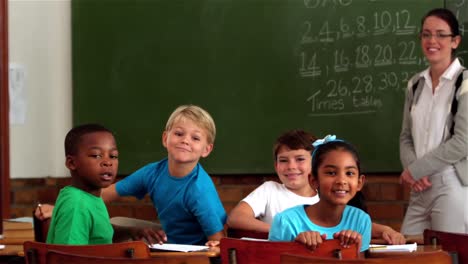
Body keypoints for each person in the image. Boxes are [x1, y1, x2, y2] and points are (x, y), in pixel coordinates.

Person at [38, 105, 226, 246]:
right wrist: (59, 208)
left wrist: (212, 246)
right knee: (115, 222)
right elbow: (103, 194)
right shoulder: (153, 172)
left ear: (206, 149)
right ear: (165, 138)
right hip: (167, 238)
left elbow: (218, 239)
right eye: (179, 133)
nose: (185, 140)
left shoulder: (199, 189)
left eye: (195, 138)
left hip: (192, 250)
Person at [227, 130, 405, 244]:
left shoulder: (331, 197)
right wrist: (280, 230)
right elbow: (236, 218)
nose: (291, 166)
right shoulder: (272, 192)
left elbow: (353, 221)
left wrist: (386, 230)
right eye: (283, 160)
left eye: (300, 159)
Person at [399, 8, 467, 235]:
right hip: (419, 186)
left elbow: (462, 142)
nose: (432, 41)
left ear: (455, 41)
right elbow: (406, 136)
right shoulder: (415, 84)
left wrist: (416, 169)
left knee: (450, 254)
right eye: (426, 34)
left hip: (452, 183)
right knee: (408, 249)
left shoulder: (465, 82)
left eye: (440, 34)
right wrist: (413, 170)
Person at [47, 124, 163, 244]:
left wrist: (131, 231)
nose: (108, 162)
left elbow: (99, 235)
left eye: (113, 156)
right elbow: (68, 256)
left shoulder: (91, 197)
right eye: (96, 155)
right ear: (71, 163)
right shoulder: (76, 203)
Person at [269, 135, 372, 252]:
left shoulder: (360, 220)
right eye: (331, 173)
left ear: (359, 183)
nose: (342, 181)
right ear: (314, 181)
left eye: (349, 173)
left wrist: (354, 247)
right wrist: (297, 248)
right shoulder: (286, 222)